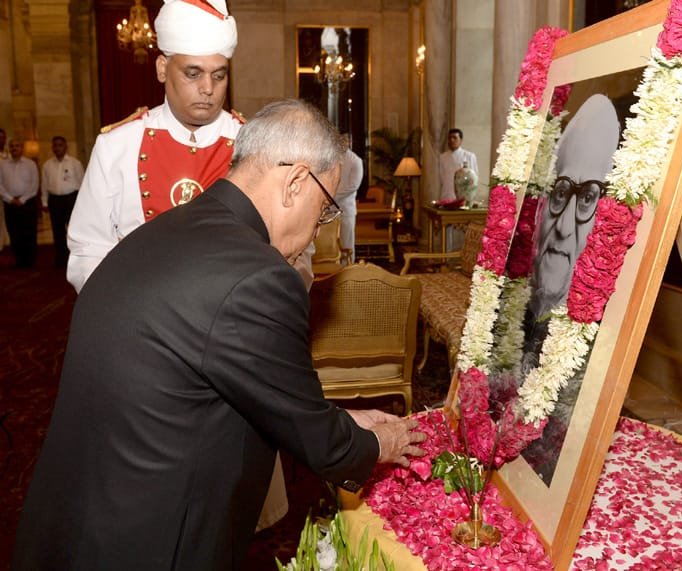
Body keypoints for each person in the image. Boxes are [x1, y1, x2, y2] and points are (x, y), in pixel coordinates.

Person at [11, 99, 426, 571]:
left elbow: (230, 384)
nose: (316, 232)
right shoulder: (259, 275)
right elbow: (323, 448)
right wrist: (381, 443)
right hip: (149, 540)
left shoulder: (166, 229)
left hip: (77, 518)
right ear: (295, 182)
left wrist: (338, 417)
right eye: (325, 208)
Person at [66, 0, 243, 292]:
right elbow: (89, 247)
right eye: (193, 73)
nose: (208, 88)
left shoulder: (253, 145)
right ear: (162, 69)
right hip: (139, 314)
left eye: (219, 75)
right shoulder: (117, 145)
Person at [520, 93, 620, 485]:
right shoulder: (518, 309)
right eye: (561, 193)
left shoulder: (600, 338)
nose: (563, 227)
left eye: (588, 199)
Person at [41, 136, 85, 267]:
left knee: (73, 230)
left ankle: (76, 256)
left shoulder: (75, 163)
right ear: (52, 148)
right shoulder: (47, 165)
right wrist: (44, 201)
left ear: (66, 147)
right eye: (55, 145)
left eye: (60, 145)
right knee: (57, 230)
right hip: (55, 200)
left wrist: (82, 202)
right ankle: (61, 257)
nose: (57, 148)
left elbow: (83, 183)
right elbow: (44, 184)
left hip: (71, 199)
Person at [0, 138, 40, 268]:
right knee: (14, 232)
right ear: (9, 148)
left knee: (29, 231)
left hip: (27, 203)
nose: (14, 148)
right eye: (12, 146)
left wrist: (22, 199)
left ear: (22, 148)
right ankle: (19, 259)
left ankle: (30, 260)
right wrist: (9, 198)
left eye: (17, 146)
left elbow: (35, 184)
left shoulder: (30, 164)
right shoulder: (3, 165)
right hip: (10, 203)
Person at [336, 133, 363, 255]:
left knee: (346, 244)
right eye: (339, 139)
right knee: (332, 246)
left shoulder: (355, 161)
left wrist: (331, 197)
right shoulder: (332, 158)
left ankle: (348, 271)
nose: (342, 142)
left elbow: (352, 187)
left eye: (345, 140)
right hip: (329, 211)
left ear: (349, 141)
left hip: (346, 210)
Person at [438, 128, 478, 202]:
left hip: (463, 195)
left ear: (461, 140)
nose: (452, 140)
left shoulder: (469, 156)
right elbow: (442, 176)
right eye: (450, 138)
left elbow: (474, 179)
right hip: (446, 194)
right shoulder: (443, 157)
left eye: (455, 138)